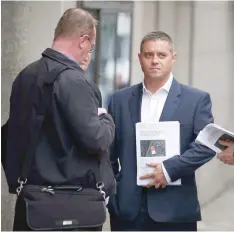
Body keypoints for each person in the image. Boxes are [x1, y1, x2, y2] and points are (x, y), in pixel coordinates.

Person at [5, 8, 115, 231]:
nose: (88, 54)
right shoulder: (73, 81)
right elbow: (95, 139)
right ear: (83, 41)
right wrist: (106, 120)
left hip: (31, 207)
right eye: (91, 47)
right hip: (71, 208)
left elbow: (10, 136)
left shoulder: (25, 76)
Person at [107, 31, 216, 231]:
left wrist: (169, 170)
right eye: (149, 55)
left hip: (175, 211)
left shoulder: (196, 100)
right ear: (140, 58)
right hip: (127, 211)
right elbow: (107, 152)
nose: (155, 61)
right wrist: (112, 193)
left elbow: (207, 145)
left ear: (173, 58)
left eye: (161, 55)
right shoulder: (119, 100)